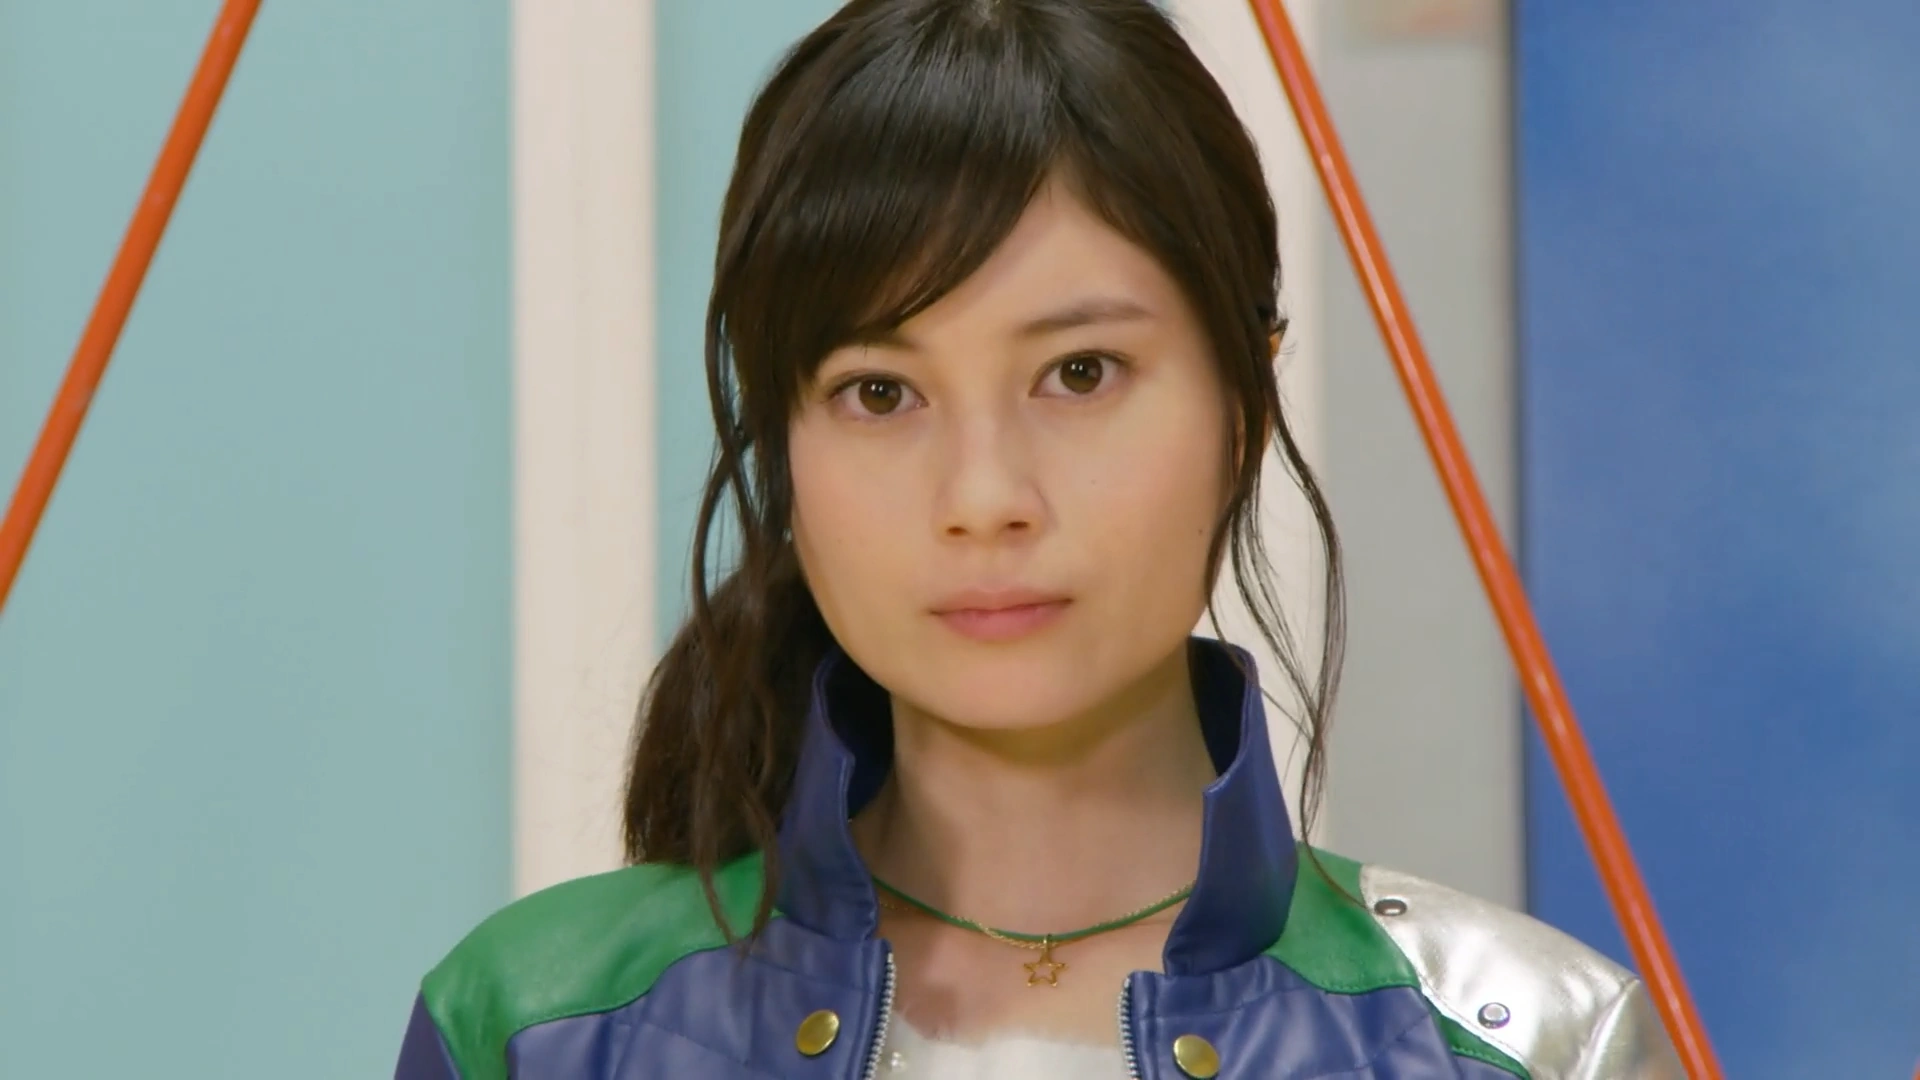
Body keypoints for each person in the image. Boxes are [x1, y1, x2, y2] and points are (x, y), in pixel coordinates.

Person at [394, 0, 1683, 1076]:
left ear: (1245, 407)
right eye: (879, 392)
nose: (984, 495)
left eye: (1079, 373)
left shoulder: (1525, 1047)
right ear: (783, 445)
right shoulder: (531, 1027)